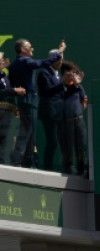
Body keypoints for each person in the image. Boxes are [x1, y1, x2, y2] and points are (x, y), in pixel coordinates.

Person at [9, 38, 65, 168]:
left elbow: (13, 85)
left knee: (30, 130)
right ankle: (18, 160)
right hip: (29, 100)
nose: (32, 48)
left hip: (24, 100)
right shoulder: (25, 61)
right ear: (23, 49)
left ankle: (28, 161)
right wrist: (60, 51)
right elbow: (43, 63)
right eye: (30, 46)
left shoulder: (14, 64)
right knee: (28, 130)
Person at [36, 49, 65, 171]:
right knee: (52, 141)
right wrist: (62, 83)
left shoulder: (59, 74)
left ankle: (66, 167)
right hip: (50, 112)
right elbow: (47, 91)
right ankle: (47, 168)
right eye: (59, 59)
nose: (60, 62)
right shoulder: (44, 73)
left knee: (62, 141)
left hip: (61, 112)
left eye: (61, 59)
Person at [59, 61, 87, 176]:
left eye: (75, 72)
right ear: (65, 72)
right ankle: (69, 167)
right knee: (68, 146)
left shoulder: (78, 86)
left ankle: (82, 167)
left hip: (79, 120)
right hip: (66, 121)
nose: (74, 75)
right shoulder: (60, 86)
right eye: (72, 72)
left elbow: (84, 102)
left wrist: (79, 111)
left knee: (81, 145)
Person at [0, 52, 26, 165]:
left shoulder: (4, 77)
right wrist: (14, 90)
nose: (4, 60)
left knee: (5, 140)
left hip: (6, 113)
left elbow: (8, 90)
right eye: (1, 59)